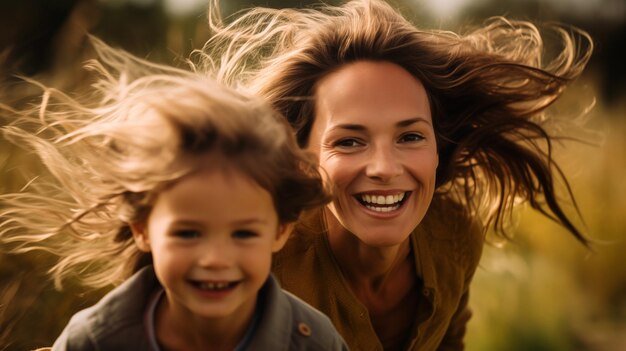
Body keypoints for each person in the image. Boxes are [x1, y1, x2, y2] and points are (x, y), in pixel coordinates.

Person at [199, 0, 594, 350]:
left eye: (410, 136)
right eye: (350, 142)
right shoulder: (261, 261)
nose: (385, 169)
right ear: (304, 159)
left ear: (438, 148)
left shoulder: (453, 237)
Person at [0, 39, 347, 350]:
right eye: (188, 233)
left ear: (280, 231)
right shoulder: (93, 340)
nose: (215, 259)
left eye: (243, 233)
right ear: (142, 229)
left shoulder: (313, 341)